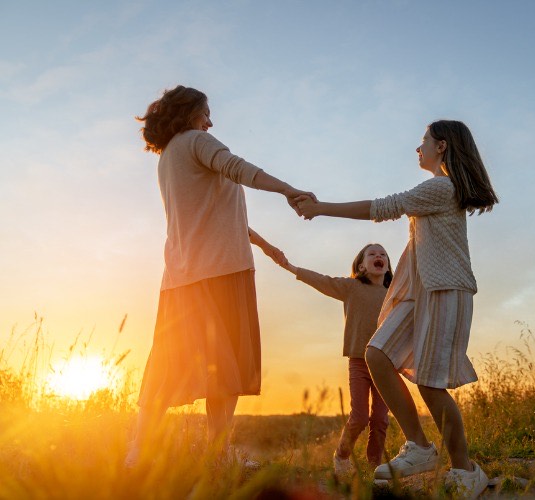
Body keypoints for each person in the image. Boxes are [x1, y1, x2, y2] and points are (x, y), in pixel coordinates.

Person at [295, 120, 498, 498]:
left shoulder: (442, 186)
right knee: (377, 353)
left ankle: (466, 470)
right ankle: (420, 447)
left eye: (422, 142)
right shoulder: (439, 187)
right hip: (418, 291)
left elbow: (383, 206)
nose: (417, 148)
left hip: (445, 290)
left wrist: (321, 208)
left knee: (430, 383)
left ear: (441, 146)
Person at [125, 85, 314, 467]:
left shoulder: (167, 159)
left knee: (166, 365)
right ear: (189, 112)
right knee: (227, 369)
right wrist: (287, 190)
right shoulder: (197, 140)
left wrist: (262, 245)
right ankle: (217, 455)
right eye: (205, 112)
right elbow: (240, 169)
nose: (210, 121)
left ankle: (137, 453)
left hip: (180, 277)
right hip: (222, 272)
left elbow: (214, 216)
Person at [278, 243, 393, 473]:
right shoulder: (351, 287)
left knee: (380, 420)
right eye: (372, 254)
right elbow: (323, 280)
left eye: (383, 255)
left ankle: (374, 468)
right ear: (361, 265)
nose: (378, 256)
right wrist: (292, 268)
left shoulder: (394, 293)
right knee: (359, 417)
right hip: (359, 362)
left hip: (385, 364)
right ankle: (341, 456)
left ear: (388, 266)